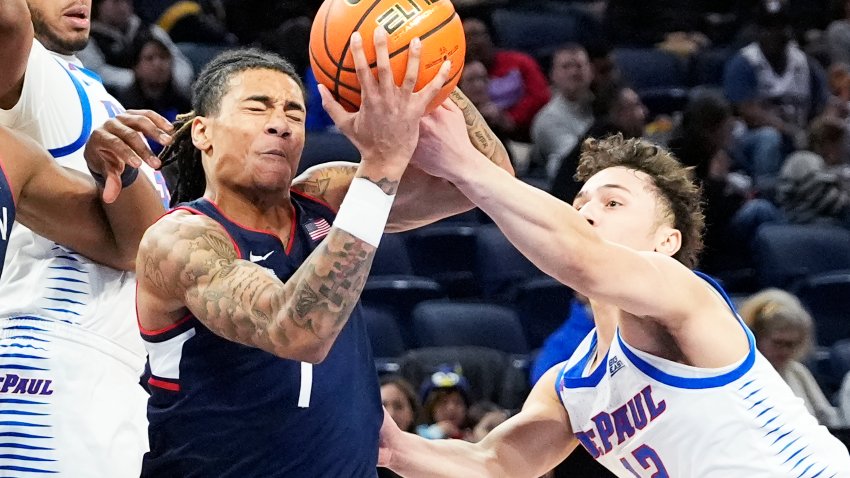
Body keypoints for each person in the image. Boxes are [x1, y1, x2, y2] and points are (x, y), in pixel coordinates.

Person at [136, 28, 513, 476]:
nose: (280, 123)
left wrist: (422, 53)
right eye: (257, 108)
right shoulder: (180, 239)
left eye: (294, 112)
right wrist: (382, 164)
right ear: (203, 132)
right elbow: (296, 332)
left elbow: (485, 178)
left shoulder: (325, 198)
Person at [379, 133, 850, 477]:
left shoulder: (681, 293)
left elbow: (585, 261)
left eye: (613, 204)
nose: (584, 212)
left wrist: (466, 164)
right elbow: (494, 463)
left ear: (666, 242)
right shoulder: (572, 385)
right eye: (580, 202)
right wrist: (392, 448)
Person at [0, 0, 173, 474]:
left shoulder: (97, 94)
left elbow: (141, 246)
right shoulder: (31, 74)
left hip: (114, 376)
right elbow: (9, 24)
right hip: (49, 359)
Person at [739, 288, 842, 427]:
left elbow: (829, 421)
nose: (785, 351)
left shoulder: (796, 372)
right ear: (755, 336)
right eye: (778, 343)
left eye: (792, 345)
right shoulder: (740, 376)